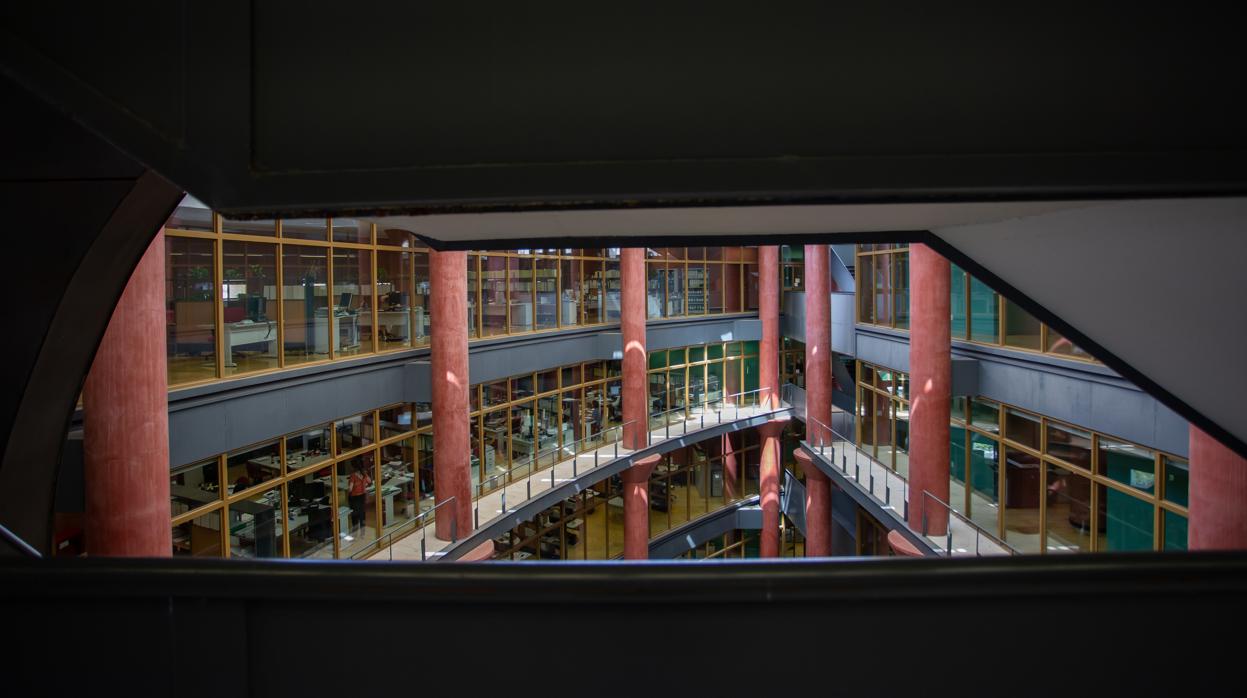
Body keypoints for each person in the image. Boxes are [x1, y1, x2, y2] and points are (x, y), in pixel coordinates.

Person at [348, 462, 372, 534]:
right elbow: (369, 481)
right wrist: (364, 485)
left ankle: (355, 531)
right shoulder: (364, 474)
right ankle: (363, 531)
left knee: (355, 514)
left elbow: (350, 489)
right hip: (362, 495)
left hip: (355, 497)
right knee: (362, 512)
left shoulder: (353, 476)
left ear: (354, 467)